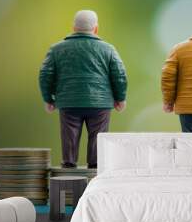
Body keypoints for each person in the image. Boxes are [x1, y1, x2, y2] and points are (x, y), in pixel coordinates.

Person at [39, 10, 127, 168]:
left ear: (74, 27)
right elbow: (119, 74)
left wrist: (48, 98)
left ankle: (68, 165)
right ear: (96, 28)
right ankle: (94, 168)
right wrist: (120, 98)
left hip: (68, 101)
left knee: (69, 136)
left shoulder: (56, 49)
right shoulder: (108, 49)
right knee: (98, 138)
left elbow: (45, 74)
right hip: (100, 104)